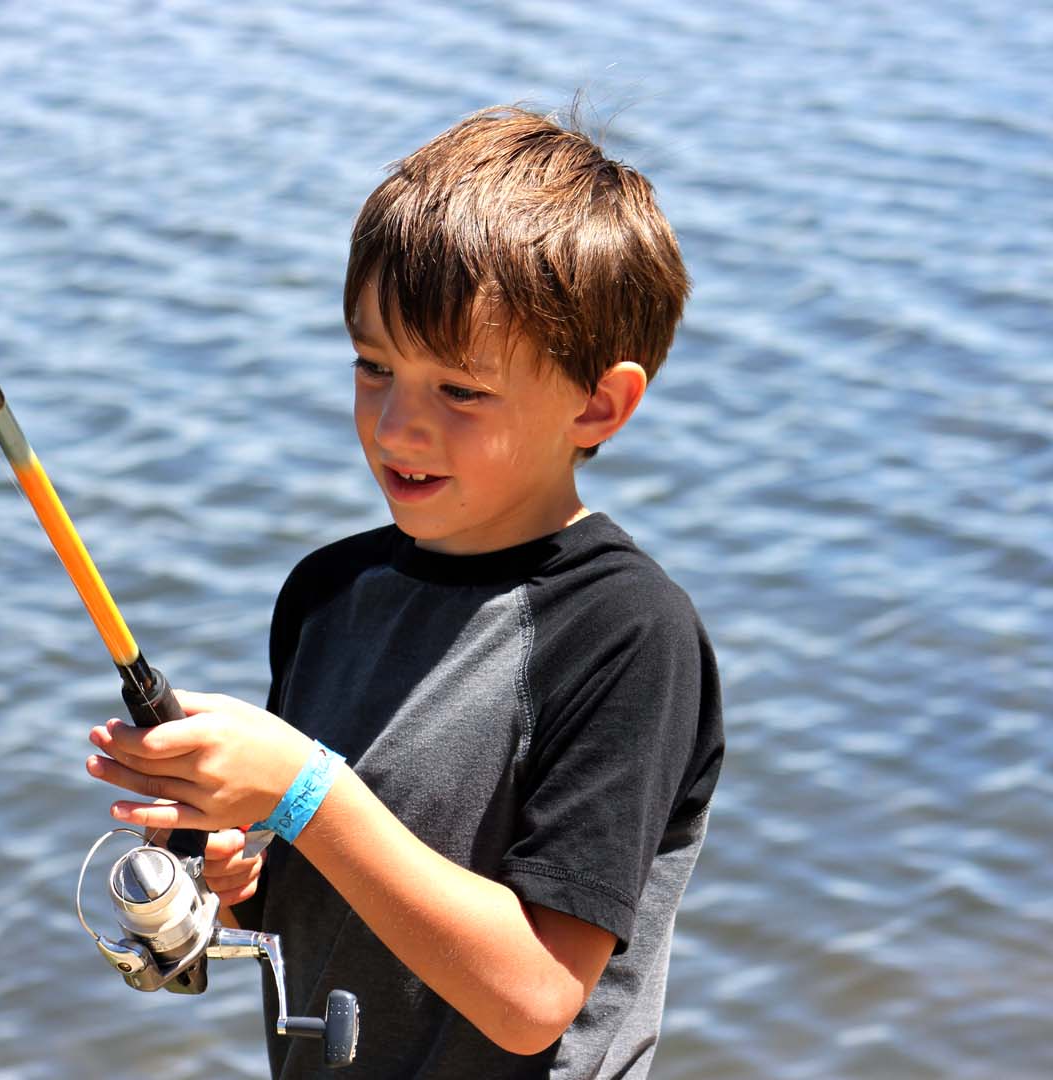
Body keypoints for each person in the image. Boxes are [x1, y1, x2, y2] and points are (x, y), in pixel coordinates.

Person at [86, 105, 723, 1078]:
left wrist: (301, 789)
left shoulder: (628, 634)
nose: (396, 426)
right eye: (373, 367)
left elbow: (533, 998)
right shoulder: (327, 593)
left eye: (459, 390)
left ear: (599, 404)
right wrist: (238, 873)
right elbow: (346, 879)